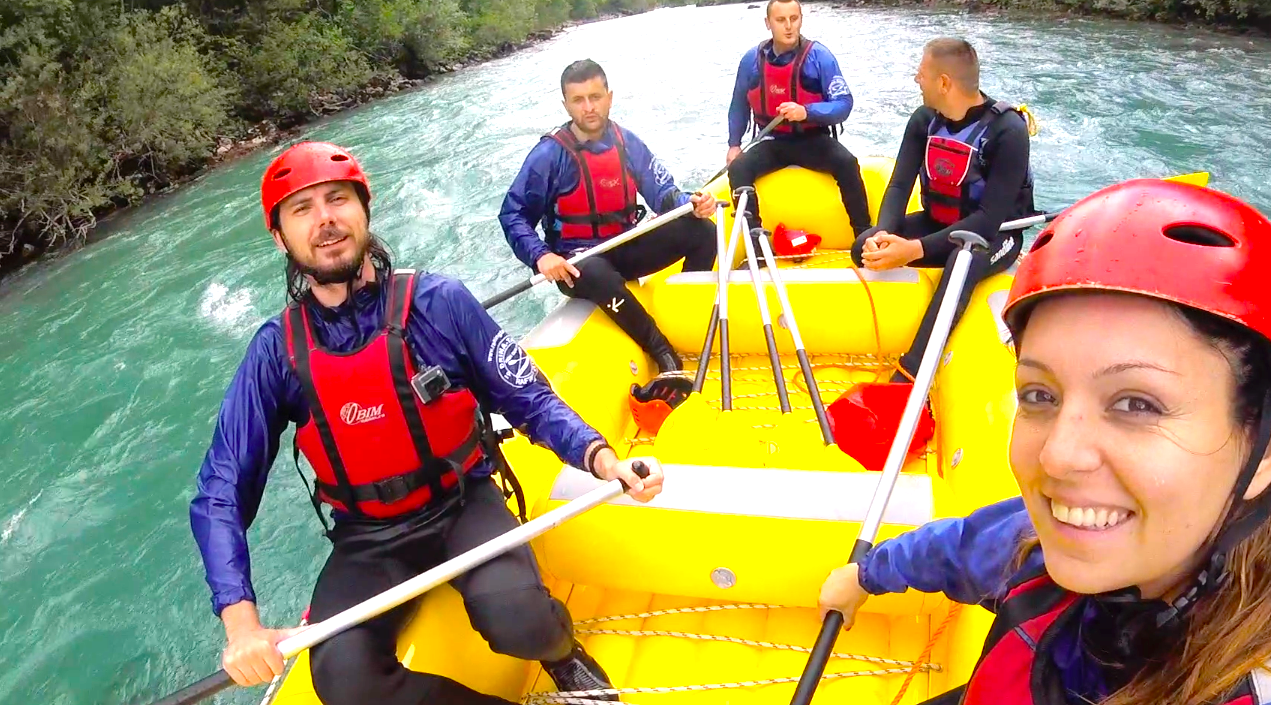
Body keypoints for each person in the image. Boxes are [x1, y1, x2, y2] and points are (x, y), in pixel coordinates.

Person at [818, 178, 1271, 705]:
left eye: (1137, 404)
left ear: (1266, 449)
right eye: (1039, 395)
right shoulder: (1049, 539)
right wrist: (866, 575)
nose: (1057, 457)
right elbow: (968, 545)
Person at [190, 141, 666, 705]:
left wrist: (603, 459)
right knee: (344, 681)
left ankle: (564, 657)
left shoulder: (439, 302)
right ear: (280, 237)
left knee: (521, 620)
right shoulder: (276, 351)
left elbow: (530, 400)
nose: (325, 220)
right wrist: (241, 621)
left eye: (338, 199)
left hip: (461, 501)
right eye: (302, 209)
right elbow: (222, 488)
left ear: (364, 210)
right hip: (367, 535)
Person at [500, 59, 718, 375]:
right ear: (566, 105)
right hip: (577, 262)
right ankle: (662, 351)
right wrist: (541, 256)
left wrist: (691, 204)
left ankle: (686, 316)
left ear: (609, 97)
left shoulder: (627, 142)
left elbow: (663, 192)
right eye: (578, 100)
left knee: (703, 231)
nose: (589, 107)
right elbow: (513, 214)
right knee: (596, 272)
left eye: (595, 97)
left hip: (625, 244)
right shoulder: (548, 155)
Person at [853, 37, 1035, 382]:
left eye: (921, 73)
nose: (916, 79)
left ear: (944, 83)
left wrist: (914, 250)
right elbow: (899, 185)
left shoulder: (1007, 131)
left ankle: (911, 371)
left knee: (962, 261)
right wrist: (883, 233)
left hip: (995, 236)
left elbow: (987, 221)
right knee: (862, 246)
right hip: (938, 222)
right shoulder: (924, 120)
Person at [725, 0, 871, 238]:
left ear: (801, 19)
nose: (789, 26)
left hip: (813, 140)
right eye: (781, 20)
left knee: (847, 163)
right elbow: (739, 104)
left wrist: (806, 112)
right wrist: (734, 144)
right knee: (738, 168)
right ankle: (756, 242)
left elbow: (844, 104)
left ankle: (864, 236)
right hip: (772, 142)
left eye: (794, 19)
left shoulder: (819, 56)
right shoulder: (751, 60)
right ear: (768, 23)